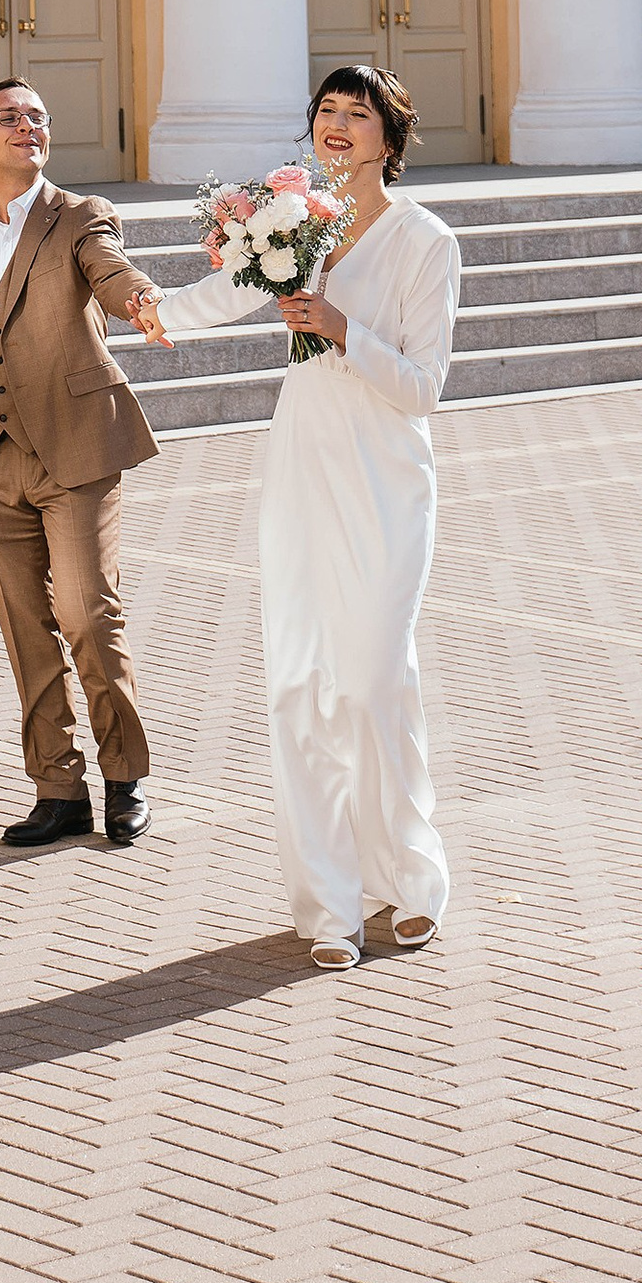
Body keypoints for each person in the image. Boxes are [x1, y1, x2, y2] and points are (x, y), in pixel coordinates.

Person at [158, 63, 459, 969]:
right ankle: (327, 906)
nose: (336, 126)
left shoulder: (425, 241)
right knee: (299, 684)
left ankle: (410, 879)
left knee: (372, 682)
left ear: (389, 140)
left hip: (384, 476)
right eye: (326, 112)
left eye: (356, 115)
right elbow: (222, 294)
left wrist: (337, 324)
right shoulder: (295, 222)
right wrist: (143, 311)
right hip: (301, 464)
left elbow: (422, 389)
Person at [0, 79, 175, 852]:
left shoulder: (80, 216)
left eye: (38, 116)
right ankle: (57, 788)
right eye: (8, 118)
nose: (26, 126)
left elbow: (110, 268)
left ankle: (124, 777)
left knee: (86, 616)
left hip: (74, 446)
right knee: (24, 627)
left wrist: (141, 299)